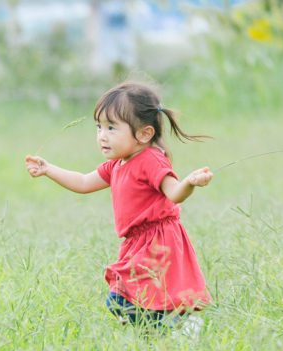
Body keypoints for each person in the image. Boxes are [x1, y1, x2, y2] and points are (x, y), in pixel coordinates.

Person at [25, 81, 213, 333]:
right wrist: (49, 169)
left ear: (144, 134)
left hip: (158, 241)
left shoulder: (150, 160)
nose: (102, 135)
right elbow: (82, 182)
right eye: (99, 127)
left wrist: (190, 182)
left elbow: (174, 193)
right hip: (136, 242)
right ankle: (166, 332)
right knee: (137, 300)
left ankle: (180, 325)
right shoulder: (117, 165)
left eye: (112, 128)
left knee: (121, 299)